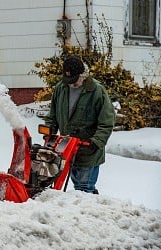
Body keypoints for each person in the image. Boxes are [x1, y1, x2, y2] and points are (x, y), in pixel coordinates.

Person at [45, 55, 115, 194]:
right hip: (66, 148)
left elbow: (106, 122)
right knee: (76, 189)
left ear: (83, 75)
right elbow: (52, 115)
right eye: (68, 80)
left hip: (88, 149)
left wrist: (96, 142)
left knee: (84, 189)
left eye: (74, 80)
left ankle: (89, 212)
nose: (71, 84)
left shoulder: (96, 91)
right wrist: (49, 130)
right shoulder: (61, 88)